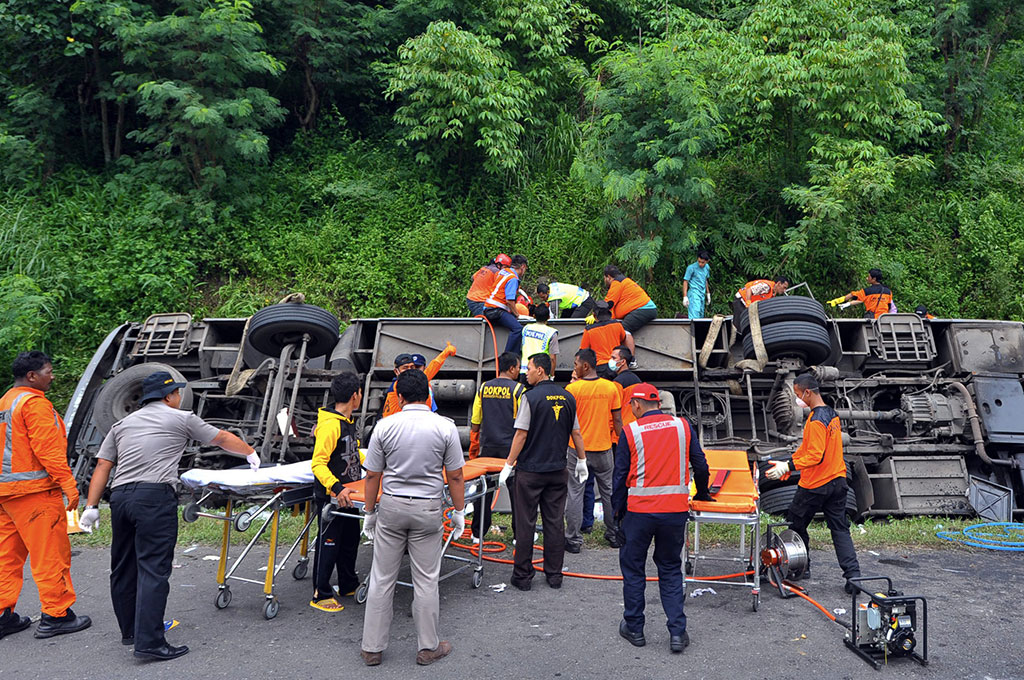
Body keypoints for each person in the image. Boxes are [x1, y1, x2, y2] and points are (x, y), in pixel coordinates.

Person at [81, 370, 258, 660]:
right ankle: (150, 642)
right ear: (168, 396)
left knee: (124, 567)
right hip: (153, 498)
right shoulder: (181, 418)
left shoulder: (122, 424)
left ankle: (132, 632)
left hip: (121, 498)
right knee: (153, 568)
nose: (178, 397)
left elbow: (103, 465)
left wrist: (91, 507)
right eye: (176, 393)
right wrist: (249, 452)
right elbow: (221, 438)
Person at [359, 369, 466, 667]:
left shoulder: (385, 426)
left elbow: (372, 475)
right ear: (428, 394)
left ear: (400, 397)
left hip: (391, 508)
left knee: (382, 578)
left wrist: (369, 513)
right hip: (428, 509)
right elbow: (455, 476)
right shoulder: (445, 427)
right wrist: (458, 512)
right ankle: (428, 647)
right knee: (427, 580)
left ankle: (372, 648)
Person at [612, 383, 712, 653]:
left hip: (638, 513)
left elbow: (620, 477)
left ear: (636, 405)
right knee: (669, 568)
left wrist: (617, 514)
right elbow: (701, 465)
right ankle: (677, 633)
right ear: (658, 404)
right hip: (674, 512)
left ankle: (634, 628)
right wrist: (702, 492)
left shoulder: (631, 431)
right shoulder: (682, 427)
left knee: (633, 569)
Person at [0, 351, 92, 642]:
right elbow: (48, 450)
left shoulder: (5, 402)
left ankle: (3, 616)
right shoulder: (35, 405)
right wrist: (69, 485)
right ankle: (57, 615)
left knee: (5, 558)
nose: (52, 376)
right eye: (48, 371)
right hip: (35, 494)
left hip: (5, 494)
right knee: (50, 555)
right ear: (32, 376)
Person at [765, 373, 861, 592]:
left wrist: (788, 467)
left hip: (815, 485)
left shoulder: (815, 420)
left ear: (807, 392)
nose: (797, 399)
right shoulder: (832, 415)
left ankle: (800, 567)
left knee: (796, 526)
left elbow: (815, 455)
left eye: (798, 394)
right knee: (840, 530)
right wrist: (789, 464)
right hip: (837, 482)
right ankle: (853, 578)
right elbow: (808, 450)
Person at [500, 353, 587, 591]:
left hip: (530, 471)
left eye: (528, 368)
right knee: (554, 522)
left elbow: (521, 434)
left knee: (526, 522)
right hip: (558, 470)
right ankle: (555, 575)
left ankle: (522, 576)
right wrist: (582, 460)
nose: (525, 373)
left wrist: (508, 464)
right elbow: (576, 432)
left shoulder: (530, 397)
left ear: (540, 370)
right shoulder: (569, 397)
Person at [309, 372, 363, 612]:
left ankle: (348, 583)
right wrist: (336, 487)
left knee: (351, 540)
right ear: (355, 395)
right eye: (360, 392)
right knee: (329, 543)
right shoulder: (330, 426)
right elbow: (318, 463)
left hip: (351, 495)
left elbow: (351, 454)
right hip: (332, 495)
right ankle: (321, 593)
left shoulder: (347, 423)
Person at [565, 349, 623, 551]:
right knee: (608, 492)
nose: (575, 368)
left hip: (577, 451)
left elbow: (567, 424)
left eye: (576, 365)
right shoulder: (610, 388)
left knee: (575, 492)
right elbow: (617, 419)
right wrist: (622, 445)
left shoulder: (572, 390)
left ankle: (573, 539)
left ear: (586, 366)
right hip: (604, 449)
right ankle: (613, 533)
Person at [467, 352, 525, 541]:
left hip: (488, 448)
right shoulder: (519, 390)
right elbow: (524, 423)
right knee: (517, 493)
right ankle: (519, 535)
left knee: (483, 491)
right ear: (511, 368)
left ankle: (478, 533)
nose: (519, 371)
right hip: (511, 449)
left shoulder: (484, 388)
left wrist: (475, 446)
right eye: (517, 367)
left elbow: (476, 420)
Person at [381, 343, 457, 418]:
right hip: (396, 425)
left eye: (412, 367)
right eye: (405, 368)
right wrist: (445, 353)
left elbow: (431, 369)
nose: (409, 370)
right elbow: (431, 370)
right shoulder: (400, 384)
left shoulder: (418, 381)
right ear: (396, 371)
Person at [484, 254, 529, 354]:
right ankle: (508, 357)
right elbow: (510, 301)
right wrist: (517, 315)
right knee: (518, 329)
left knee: (512, 322)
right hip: (496, 310)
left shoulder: (503, 272)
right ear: (523, 267)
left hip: (488, 308)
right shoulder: (513, 279)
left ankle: (513, 356)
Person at [580, 301, 635, 378]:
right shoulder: (617, 325)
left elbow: (583, 351)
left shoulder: (589, 330)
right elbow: (624, 338)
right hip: (615, 365)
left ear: (594, 315)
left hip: (599, 366)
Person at [603, 265, 658, 334]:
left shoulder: (617, 283)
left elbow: (609, 303)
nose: (604, 281)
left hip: (643, 309)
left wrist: (597, 314)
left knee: (623, 331)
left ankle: (628, 345)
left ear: (608, 277)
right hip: (645, 309)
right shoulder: (625, 281)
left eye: (604, 278)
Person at [519, 304, 559, 374]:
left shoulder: (526, 328)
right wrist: (552, 375)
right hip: (540, 373)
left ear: (534, 316)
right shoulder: (551, 333)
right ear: (548, 317)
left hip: (525, 370)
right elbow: (552, 358)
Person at [682, 251, 712, 319]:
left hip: (702, 293)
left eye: (702, 262)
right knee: (695, 315)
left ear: (707, 261)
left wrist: (708, 293)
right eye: (699, 261)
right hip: (694, 292)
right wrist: (685, 296)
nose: (700, 264)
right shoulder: (691, 268)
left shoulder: (707, 267)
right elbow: (685, 281)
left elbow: (705, 280)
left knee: (701, 315)